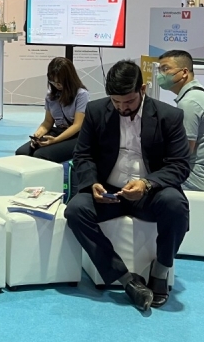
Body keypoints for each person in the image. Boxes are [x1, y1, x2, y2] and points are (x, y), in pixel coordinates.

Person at [64, 60, 190, 311]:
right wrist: (92, 184)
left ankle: (160, 270)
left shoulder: (169, 116)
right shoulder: (96, 111)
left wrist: (146, 183)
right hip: (108, 191)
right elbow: (83, 155)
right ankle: (125, 279)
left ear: (142, 89)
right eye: (116, 102)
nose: (122, 108)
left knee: (176, 205)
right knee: (75, 210)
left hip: (150, 192)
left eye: (129, 101)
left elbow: (180, 165)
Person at [156, 50, 204, 191]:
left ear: (184, 72)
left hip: (199, 178)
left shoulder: (189, 102)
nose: (160, 75)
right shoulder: (197, 95)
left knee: (141, 175)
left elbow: (183, 153)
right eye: (160, 70)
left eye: (165, 69)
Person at [14, 57, 89, 163]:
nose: (56, 85)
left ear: (68, 79)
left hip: (76, 136)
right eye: (53, 82)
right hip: (57, 131)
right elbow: (47, 122)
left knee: (40, 155)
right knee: (22, 153)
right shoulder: (50, 95)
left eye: (59, 83)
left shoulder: (81, 94)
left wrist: (55, 140)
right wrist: (37, 135)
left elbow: (77, 125)